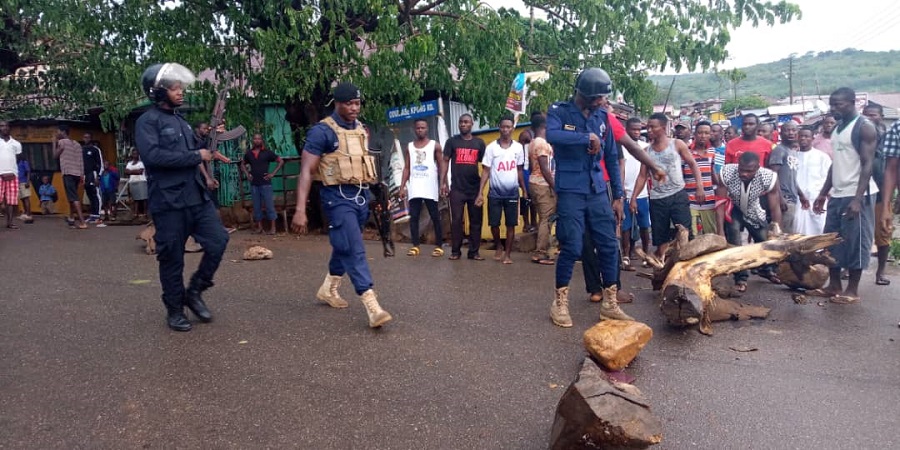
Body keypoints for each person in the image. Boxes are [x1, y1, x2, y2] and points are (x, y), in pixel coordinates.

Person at [136, 62, 230, 332]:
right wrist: (196, 155)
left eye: (180, 86)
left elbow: (196, 151)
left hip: (196, 197)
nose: (180, 91)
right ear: (157, 92)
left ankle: (196, 290)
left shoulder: (181, 121)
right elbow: (153, 158)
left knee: (218, 241)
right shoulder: (147, 122)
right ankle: (175, 310)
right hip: (168, 203)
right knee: (172, 258)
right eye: (174, 87)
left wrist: (212, 140)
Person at [291, 81, 392, 328]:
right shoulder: (321, 132)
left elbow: (363, 162)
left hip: (360, 196)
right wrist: (300, 209)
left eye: (357, 103)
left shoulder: (360, 129)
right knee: (355, 247)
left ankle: (328, 288)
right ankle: (371, 303)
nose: (355, 108)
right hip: (336, 198)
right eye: (349, 103)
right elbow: (306, 170)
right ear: (337, 104)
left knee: (343, 244)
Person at [545, 67, 633, 328]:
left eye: (603, 98)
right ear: (583, 94)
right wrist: (585, 137)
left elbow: (611, 158)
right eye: (598, 98)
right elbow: (552, 135)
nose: (602, 102)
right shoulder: (559, 112)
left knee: (608, 246)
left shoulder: (603, 117)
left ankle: (610, 303)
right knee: (571, 246)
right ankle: (559, 303)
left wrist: (617, 195)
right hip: (571, 190)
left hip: (597, 190)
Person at [813, 87, 880, 305]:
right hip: (838, 193)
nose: (834, 108)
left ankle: (852, 290)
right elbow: (836, 163)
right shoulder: (838, 128)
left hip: (856, 193)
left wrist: (858, 199)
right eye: (832, 104)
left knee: (856, 242)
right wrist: (824, 193)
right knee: (831, 240)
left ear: (852, 102)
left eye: (838, 104)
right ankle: (834, 285)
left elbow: (867, 164)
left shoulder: (864, 127)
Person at [632, 113, 705, 259]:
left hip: (678, 195)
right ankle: (663, 267)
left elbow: (693, 164)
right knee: (660, 237)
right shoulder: (647, 151)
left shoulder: (677, 144)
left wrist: (699, 186)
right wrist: (634, 197)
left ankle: (685, 266)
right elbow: (642, 176)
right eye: (648, 127)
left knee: (684, 233)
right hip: (657, 198)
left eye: (653, 127)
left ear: (663, 128)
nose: (650, 130)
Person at [716, 152, 782, 293]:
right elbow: (720, 202)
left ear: (758, 167)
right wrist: (720, 230)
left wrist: (776, 228)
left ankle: (767, 269)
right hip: (734, 209)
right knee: (735, 241)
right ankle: (741, 277)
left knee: (765, 240)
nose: (744, 173)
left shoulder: (768, 177)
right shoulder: (727, 172)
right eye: (741, 169)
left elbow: (774, 206)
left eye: (749, 171)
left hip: (754, 210)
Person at [475, 116, 527, 265]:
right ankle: (498, 245)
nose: (505, 129)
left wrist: (524, 190)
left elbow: (519, 171)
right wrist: (480, 192)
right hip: (494, 193)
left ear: (512, 128)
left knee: (511, 224)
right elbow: (485, 171)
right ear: (499, 127)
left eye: (508, 127)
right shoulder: (491, 147)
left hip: (512, 193)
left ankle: (508, 254)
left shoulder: (518, 148)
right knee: (494, 224)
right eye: (503, 126)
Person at [441, 113, 487, 261]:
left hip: (474, 189)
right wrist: (443, 182)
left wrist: (481, 190)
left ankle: (474, 252)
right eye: (461, 122)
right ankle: (455, 251)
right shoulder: (452, 142)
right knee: (456, 220)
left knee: (476, 221)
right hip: (457, 189)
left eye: (466, 122)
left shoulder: (479, 143)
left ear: (472, 124)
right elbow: (445, 162)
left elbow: (486, 166)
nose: (463, 124)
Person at [399, 118, 444, 257]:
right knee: (414, 217)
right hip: (415, 187)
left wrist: (442, 183)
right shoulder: (410, 147)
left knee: (435, 216)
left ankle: (439, 246)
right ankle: (415, 245)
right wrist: (402, 187)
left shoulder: (434, 146)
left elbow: (442, 166)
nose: (420, 130)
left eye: (423, 127)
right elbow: (407, 168)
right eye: (418, 128)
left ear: (427, 128)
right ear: (414, 129)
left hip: (430, 187)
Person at [864, 104, 891, 286]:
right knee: (854, 233)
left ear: (880, 117)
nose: (868, 118)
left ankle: (880, 272)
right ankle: (850, 269)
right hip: (860, 194)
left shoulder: (889, 140)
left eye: (872, 115)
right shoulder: (859, 138)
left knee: (883, 233)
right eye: (865, 115)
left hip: (882, 195)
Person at [620, 118, 651, 267]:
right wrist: (621, 189)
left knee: (644, 225)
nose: (637, 132)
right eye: (634, 129)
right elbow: (621, 169)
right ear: (627, 130)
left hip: (642, 194)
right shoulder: (621, 148)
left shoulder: (645, 147)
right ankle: (626, 255)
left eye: (639, 129)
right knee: (625, 226)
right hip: (625, 192)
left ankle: (646, 254)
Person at [768, 120, 807, 234]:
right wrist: (780, 198)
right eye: (787, 130)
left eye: (793, 130)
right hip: (784, 199)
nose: (790, 133)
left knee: (791, 231)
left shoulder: (793, 151)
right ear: (781, 134)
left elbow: (792, 177)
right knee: (784, 234)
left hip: (793, 198)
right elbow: (773, 175)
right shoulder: (779, 150)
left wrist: (801, 195)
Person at [528, 114, 556, 265]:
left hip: (535, 183)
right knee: (547, 218)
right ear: (545, 126)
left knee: (543, 217)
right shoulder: (542, 144)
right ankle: (540, 253)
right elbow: (545, 169)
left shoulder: (533, 142)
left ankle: (542, 249)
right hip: (542, 184)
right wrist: (554, 186)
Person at [242, 133, 284, 235]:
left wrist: (272, 173)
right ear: (253, 141)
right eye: (255, 139)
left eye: (259, 139)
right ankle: (259, 227)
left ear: (262, 141)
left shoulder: (267, 153)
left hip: (266, 183)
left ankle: (273, 228)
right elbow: (242, 164)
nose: (257, 140)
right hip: (254, 184)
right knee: (257, 207)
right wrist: (247, 174)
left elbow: (280, 161)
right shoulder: (249, 153)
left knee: (269, 206)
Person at [794, 127, 831, 236]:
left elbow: (827, 177)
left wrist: (823, 195)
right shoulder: (793, 156)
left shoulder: (821, 156)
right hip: (798, 198)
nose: (803, 139)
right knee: (798, 228)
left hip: (817, 197)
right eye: (801, 136)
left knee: (819, 226)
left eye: (806, 136)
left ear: (812, 138)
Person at [684, 120, 718, 235]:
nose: (703, 136)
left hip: (709, 199)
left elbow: (712, 171)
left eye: (706, 133)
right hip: (690, 199)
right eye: (700, 133)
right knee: (692, 234)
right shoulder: (685, 152)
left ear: (710, 135)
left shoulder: (712, 152)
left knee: (710, 234)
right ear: (695, 134)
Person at [53, 125, 87, 229]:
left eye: (58, 131)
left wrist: (53, 143)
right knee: (71, 196)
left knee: (73, 197)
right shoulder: (77, 144)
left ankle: (82, 222)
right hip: (77, 173)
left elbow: (55, 156)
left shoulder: (62, 142)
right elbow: (81, 160)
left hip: (68, 173)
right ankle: (71, 218)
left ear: (63, 132)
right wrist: (82, 174)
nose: (57, 133)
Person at [0, 120, 23, 229]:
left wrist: (11, 170)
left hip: (12, 175)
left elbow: (17, 159)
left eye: (6, 126)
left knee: (11, 200)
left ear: (9, 128)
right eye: (1, 126)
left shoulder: (16, 144)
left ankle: (10, 222)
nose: (4, 128)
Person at [81, 132, 104, 224]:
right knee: (89, 194)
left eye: (88, 137)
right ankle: (93, 215)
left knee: (95, 193)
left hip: (93, 174)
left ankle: (98, 215)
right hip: (85, 175)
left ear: (91, 138)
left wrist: (98, 176)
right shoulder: (81, 150)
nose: (86, 139)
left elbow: (100, 163)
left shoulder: (95, 150)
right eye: (85, 137)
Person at [124, 148, 149, 220]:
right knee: (135, 199)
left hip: (141, 181)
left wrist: (131, 171)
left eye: (136, 154)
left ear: (138, 155)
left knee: (143, 198)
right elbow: (126, 172)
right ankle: (135, 214)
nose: (135, 155)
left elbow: (140, 172)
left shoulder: (141, 163)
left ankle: (145, 214)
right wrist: (135, 171)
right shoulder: (129, 163)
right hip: (133, 182)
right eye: (133, 154)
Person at [17, 151, 33, 223]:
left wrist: (27, 181)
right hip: (18, 182)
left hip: (24, 182)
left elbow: (28, 172)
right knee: (22, 199)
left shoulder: (24, 162)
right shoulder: (16, 163)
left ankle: (29, 214)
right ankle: (25, 213)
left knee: (26, 198)